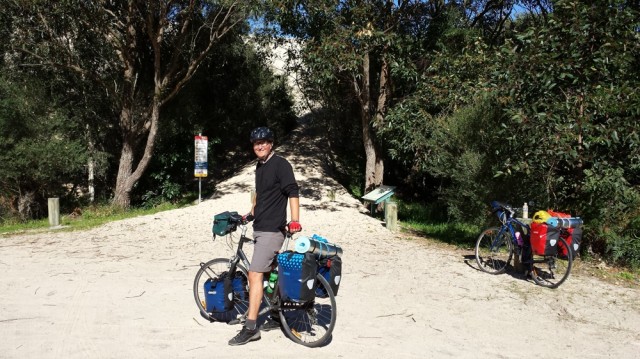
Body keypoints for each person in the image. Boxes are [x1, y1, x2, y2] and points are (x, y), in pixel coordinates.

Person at [228, 126, 302, 346]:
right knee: (269, 274)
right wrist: (251, 213)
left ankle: (251, 327)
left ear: (271, 144)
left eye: (263, 142)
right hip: (260, 227)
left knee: (254, 275)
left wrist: (295, 220)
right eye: (255, 143)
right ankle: (277, 316)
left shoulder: (281, 164)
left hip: (272, 230)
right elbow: (261, 194)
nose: (259, 146)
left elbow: (293, 191)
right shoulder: (259, 167)